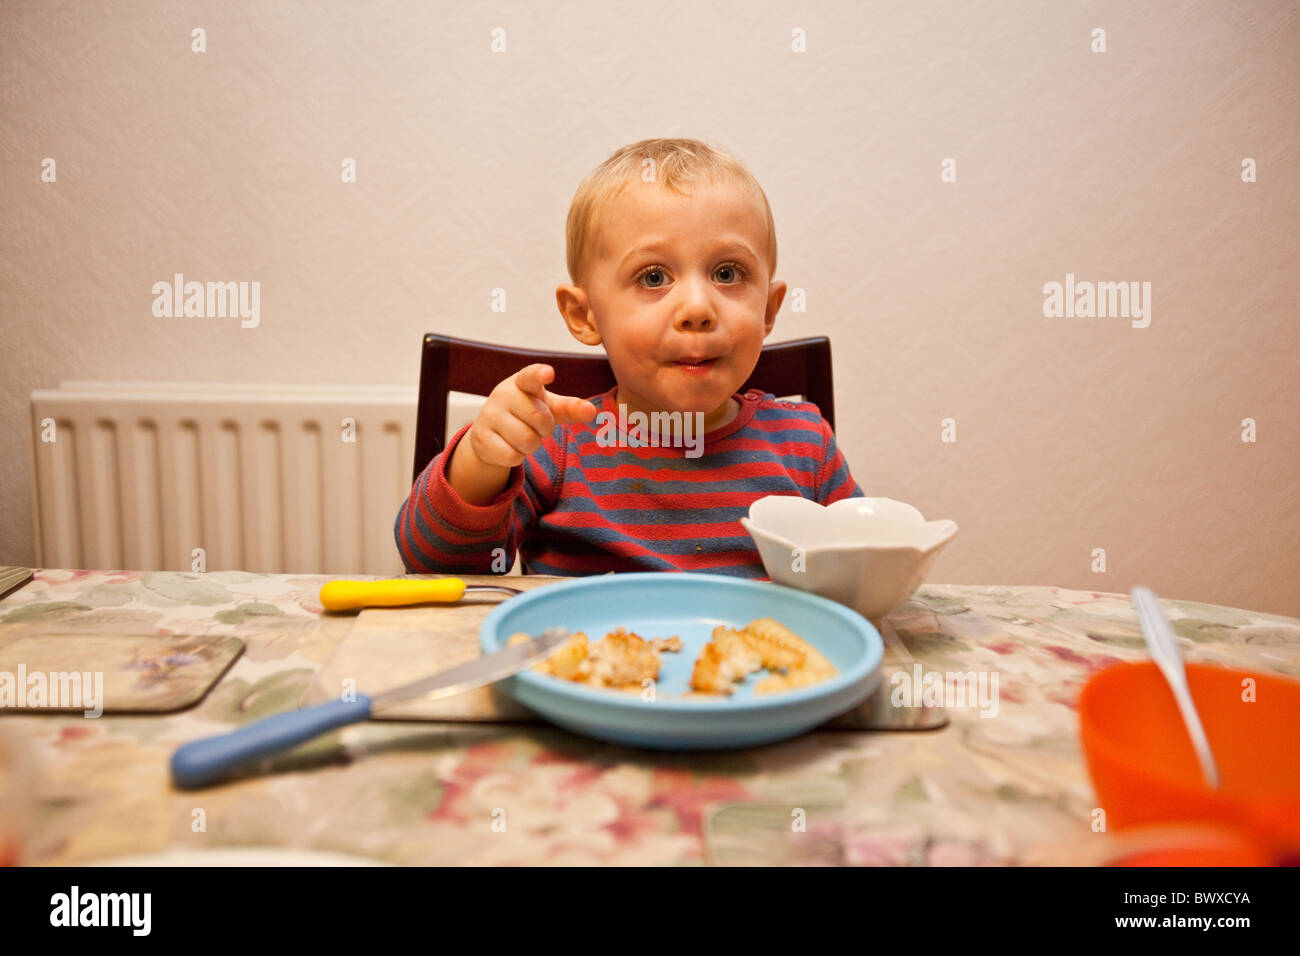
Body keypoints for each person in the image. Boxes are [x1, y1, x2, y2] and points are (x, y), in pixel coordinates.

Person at [395, 137, 863, 576]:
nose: (698, 308)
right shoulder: (559, 447)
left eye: (727, 272)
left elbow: (858, 575)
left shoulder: (807, 449)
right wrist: (482, 460)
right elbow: (432, 561)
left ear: (769, 309)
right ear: (585, 314)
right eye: (654, 277)